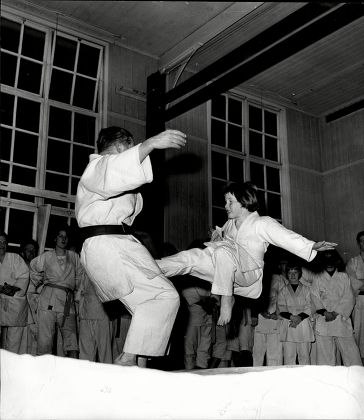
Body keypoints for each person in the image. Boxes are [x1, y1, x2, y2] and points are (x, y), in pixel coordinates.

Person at [75, 126, 187, 367]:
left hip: (119, 244)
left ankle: (138, 364)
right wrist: (150, 144)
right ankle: (127, 359)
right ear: (119, 147)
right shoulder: (98, 167)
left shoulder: (107, 174)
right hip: (108, 244)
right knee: (163, 296)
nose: (135, 154)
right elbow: (113, 171)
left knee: (148, 309)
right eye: (130, 147)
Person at [157, 181, 337, 326]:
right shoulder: (229, 224)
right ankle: (152, 267)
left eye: (230, 202)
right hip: (225, 270)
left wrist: (312, 246)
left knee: (223, 251)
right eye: (225, 201)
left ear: (244, 203)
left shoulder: (262, 223)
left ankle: (226, 301)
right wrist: (216, 236)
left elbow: (286, 237)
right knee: (191, 256)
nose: (225, 205)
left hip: (248, 273)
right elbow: (216, 244)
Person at [30, 226, 83, 358]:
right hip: (49, 298)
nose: (63, 239)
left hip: (67, 301)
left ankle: (72, 371)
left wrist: (76, 294)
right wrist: (39, 284)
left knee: (71, 340)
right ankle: (43, 373)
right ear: (55, 238)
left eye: (66, 237)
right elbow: (33, 267)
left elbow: (80, 277)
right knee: (45, 339)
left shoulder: (74, 257)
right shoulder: (47, 256)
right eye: (60, 236)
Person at [310, 250, 362, 366]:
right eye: (326, 261)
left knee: (351, 353)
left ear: (337, 261)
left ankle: (355, 377)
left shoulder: (343, 277)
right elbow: (314, 297)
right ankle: (327, 381)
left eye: (332, 261)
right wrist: (325, 312)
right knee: (325, 356)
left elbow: (349, 298)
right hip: (324, 319)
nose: (329, 264)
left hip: (340, 319)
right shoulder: (317, 278)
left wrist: (335, 313)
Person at [277, 260, 314, 365]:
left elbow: (310, 305)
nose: (292, 275)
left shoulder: (307, 289)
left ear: (300, 273)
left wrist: (299, 318)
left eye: (295, 272)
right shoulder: (283, 290)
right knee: (289, 358)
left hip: (303, 324)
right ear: (287, 274)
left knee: (305, 357)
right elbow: (281, 307)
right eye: (290, 272)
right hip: (288, 325)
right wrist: (292, 317)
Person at [252, 255, 286, 367]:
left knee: (274, 355)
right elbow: (254, 297)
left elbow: (283, 300)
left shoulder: (283, 280)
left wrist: (278, 313)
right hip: (261, 319)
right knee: (258, 353)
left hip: (275, 320)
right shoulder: (259, 278)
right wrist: (260, 312)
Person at [0, 231, 30, 354]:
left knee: (13, 341)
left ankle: (11, 368)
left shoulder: (15, 258)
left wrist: (8, 289)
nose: (2, 244)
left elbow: (23, 278)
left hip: (15, 303)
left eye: (4, 242)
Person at [346, 231, 364, 366]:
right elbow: (354, 284)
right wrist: (361, 284)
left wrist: (363, 282)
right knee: (361, 337)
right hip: (360, 304)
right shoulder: (353, 262)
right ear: (358, 243)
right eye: (362, 241)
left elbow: (361, 284)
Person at [20, 238, 40, 355]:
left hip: (37, 306)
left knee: (35, 341)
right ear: (22, 252)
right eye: (28, 250)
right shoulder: (19, 268)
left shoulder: (40, 269)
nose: (31, 253)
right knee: (23, 340)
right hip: (23, 305)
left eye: (33, 251)